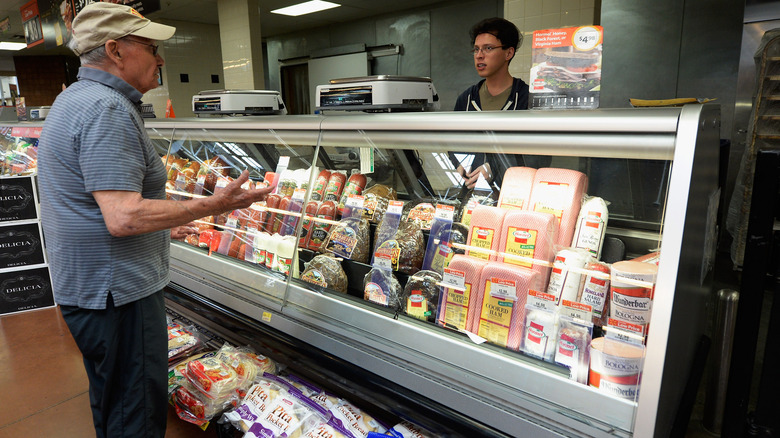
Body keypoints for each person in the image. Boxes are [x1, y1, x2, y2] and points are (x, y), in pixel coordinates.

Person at [37, 3, 273, 437]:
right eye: (150, 46)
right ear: (114, 50)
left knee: (112, 400)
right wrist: (214, 205)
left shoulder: (73, 98)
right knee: (136, 414)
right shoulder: (106, 109)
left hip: (89, 289)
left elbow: (98, 206)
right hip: (118, 296)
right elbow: (123, 216)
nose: (161, 58)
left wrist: (167, 222)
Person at [452, 17, 549, 192]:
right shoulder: (466, 99)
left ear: (508, 53)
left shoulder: (526, 99)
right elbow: (450, 142)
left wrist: (493, 169)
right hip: (472, 196)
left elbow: (538, 157)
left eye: (488, 48)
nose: (479, 55)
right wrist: (459, 164)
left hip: (514, 195)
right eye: (476, 49)